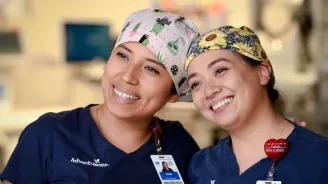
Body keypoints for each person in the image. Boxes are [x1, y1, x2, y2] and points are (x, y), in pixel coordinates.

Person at [0, 8, 200, 184]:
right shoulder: (49, 135)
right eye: (123, 56)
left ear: (174, 92)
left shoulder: (178, 146)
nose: (128, 76)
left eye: (150, 68)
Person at [185, 25, 328, 184]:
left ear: (263, 72)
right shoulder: (201, 166)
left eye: (220, 70)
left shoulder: (320, 158)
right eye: (196, 84)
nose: (209, 91)